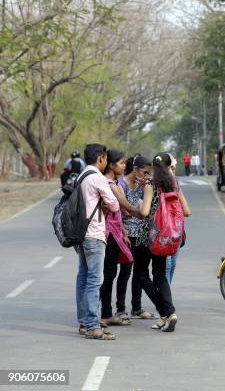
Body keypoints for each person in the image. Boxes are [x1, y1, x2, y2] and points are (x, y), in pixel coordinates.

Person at [137, 152, 189, 332]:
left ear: (152, 166)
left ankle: (167, 312)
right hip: (167, 237)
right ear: (169, 167)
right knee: (160, 275)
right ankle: (167, 314)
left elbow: (144, 212)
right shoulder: (174, 184)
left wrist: (135, 207)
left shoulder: (151, 183)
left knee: (141, 275)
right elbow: (187, 211)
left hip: (148, 237)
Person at [75, 143, 119, 340]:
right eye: (105, 159)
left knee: (83, 277)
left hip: (80, 234)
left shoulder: (80, 177)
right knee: (94, 279)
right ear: (101, 158)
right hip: (94, 234)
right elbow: (115, 205)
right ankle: (93, 326)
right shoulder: (97, 178)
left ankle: (84, 323)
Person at [99, 149, 140, 326]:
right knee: (108, 274)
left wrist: (123, 231)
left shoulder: (115, 183)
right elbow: (125, 206)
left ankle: (109, 311)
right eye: (122, 163)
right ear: (111, 165)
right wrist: (142, 212)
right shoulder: (108, 183)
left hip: (116, 231)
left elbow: (120, 212)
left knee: (116, 270)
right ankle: (105, 313)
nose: (125, 166)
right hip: (107, 234)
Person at [122, 155, 156, 319]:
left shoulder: (144, 186)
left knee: (140, 272)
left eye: (149, 173)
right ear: (135, 169)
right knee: (125, 272)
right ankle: (120, 308)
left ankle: (137, 307)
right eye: (145, 172)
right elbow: (121, 212)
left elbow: (146, 208)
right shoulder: (121, 184)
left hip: (142, 234)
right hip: (126, 235)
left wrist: (145, 189)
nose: (147, 176)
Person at [166, 154, 191, 284]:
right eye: (171, 168)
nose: (173, 172)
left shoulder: (175, 184)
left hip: (176, 232)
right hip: (165, 233)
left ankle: (166, 300)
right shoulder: (153, 185)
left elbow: (187, 211)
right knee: (167, 267)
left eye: (174, 169)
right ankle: (166, 302)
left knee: (171, 266)